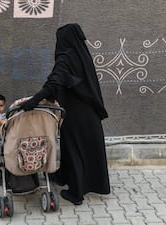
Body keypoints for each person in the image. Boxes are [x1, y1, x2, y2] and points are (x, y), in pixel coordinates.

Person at [20, 23, 110, 205]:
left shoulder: (65, 57)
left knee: (74, 149)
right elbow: (69, 83)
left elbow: (55, 82)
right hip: (88, 112)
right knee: (83, 148)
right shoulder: (81, 55)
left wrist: (33, 101)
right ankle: (63, 176)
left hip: (76, 114)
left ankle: (76, 194)